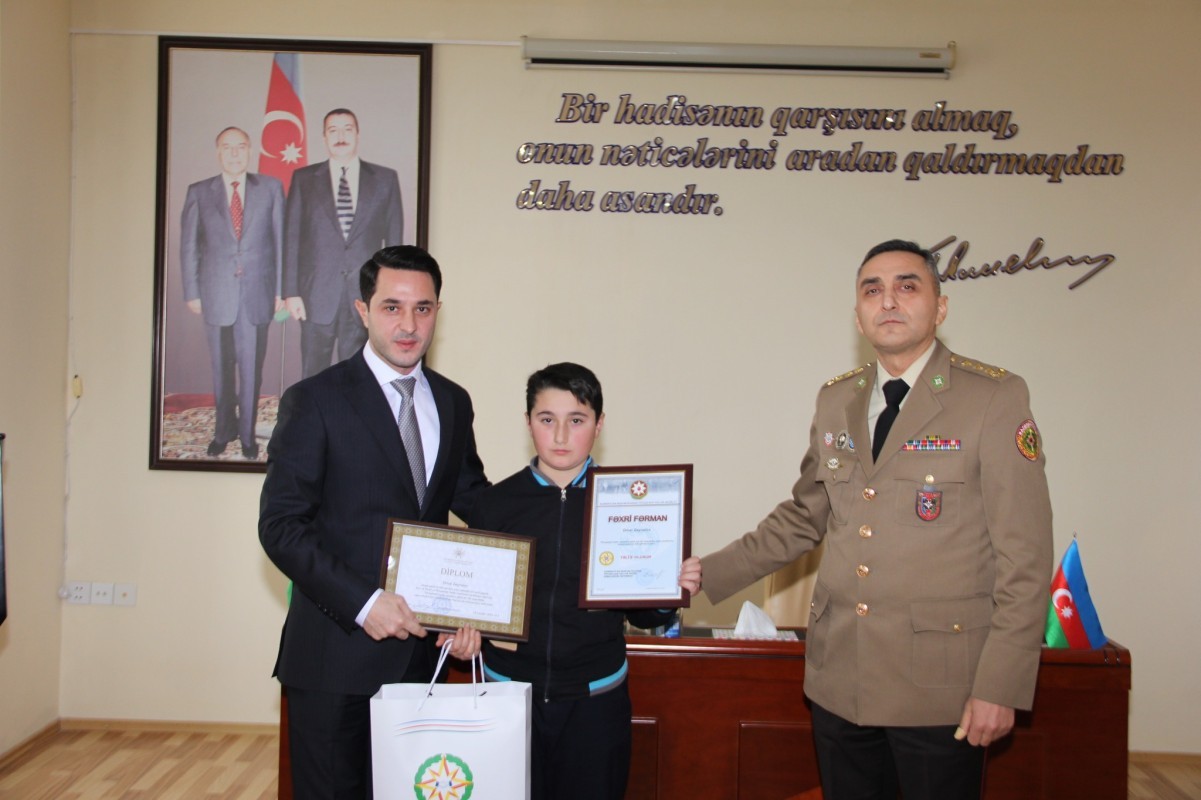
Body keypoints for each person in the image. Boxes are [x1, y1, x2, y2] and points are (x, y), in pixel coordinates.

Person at [700, 240, 1053, 800]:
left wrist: (1001, 684)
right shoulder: (836, 400)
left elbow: (1025, 556)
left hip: (941, 687)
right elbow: (804, 517)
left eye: (907, 286)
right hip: (841, 678)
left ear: (940, 307)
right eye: (872, 290)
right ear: (858, 313)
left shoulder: (993, 398)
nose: (888, 300)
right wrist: (705, 573)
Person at [260, 245, 488, 799]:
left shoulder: (454, 402)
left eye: (423, 308)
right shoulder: (314, 400)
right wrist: (365, 603)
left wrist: (567, 507)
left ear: (438, 311)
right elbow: (282, 527)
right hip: (333, 661)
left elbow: (477, 502)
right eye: (392, 307)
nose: (409, 325)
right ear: (363, 310)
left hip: (422, 661)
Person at [472, 362, 702, 800]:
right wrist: (463, 633)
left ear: (599, 425)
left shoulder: (628, 504)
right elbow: (478, 605)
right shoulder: (494, 505)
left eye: (576, 420)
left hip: (596, 701)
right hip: (507, 696)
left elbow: (647, 615)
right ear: (527, 423)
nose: (560, 436)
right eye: (547, 420)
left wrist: (671, 590)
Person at [180, 126, 284, 460]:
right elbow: (189, 246)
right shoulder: (199, 191)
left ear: (250, 150)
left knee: (251, 369)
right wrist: (192, 291)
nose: (235, 153)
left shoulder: (270, 188)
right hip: (215, 294)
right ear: (218, 153)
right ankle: (223, 431)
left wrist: (280, 291)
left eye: (241, 147)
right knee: (221, 368)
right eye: (228, 147)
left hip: (257, 295)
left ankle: (247, 436)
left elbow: (281, 242)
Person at [282, 108, 404, 378]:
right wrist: (291, 292)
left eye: (347, 129)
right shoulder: (304, 179)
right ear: (324, 137)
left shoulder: (385, 179)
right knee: (313, 379)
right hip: (315, 297)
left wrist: (389, 297)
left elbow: (394, 245)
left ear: (358, 134)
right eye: (333, 130)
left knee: (360, 379)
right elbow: (292, 238)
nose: (340, 136)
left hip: (365, 298)